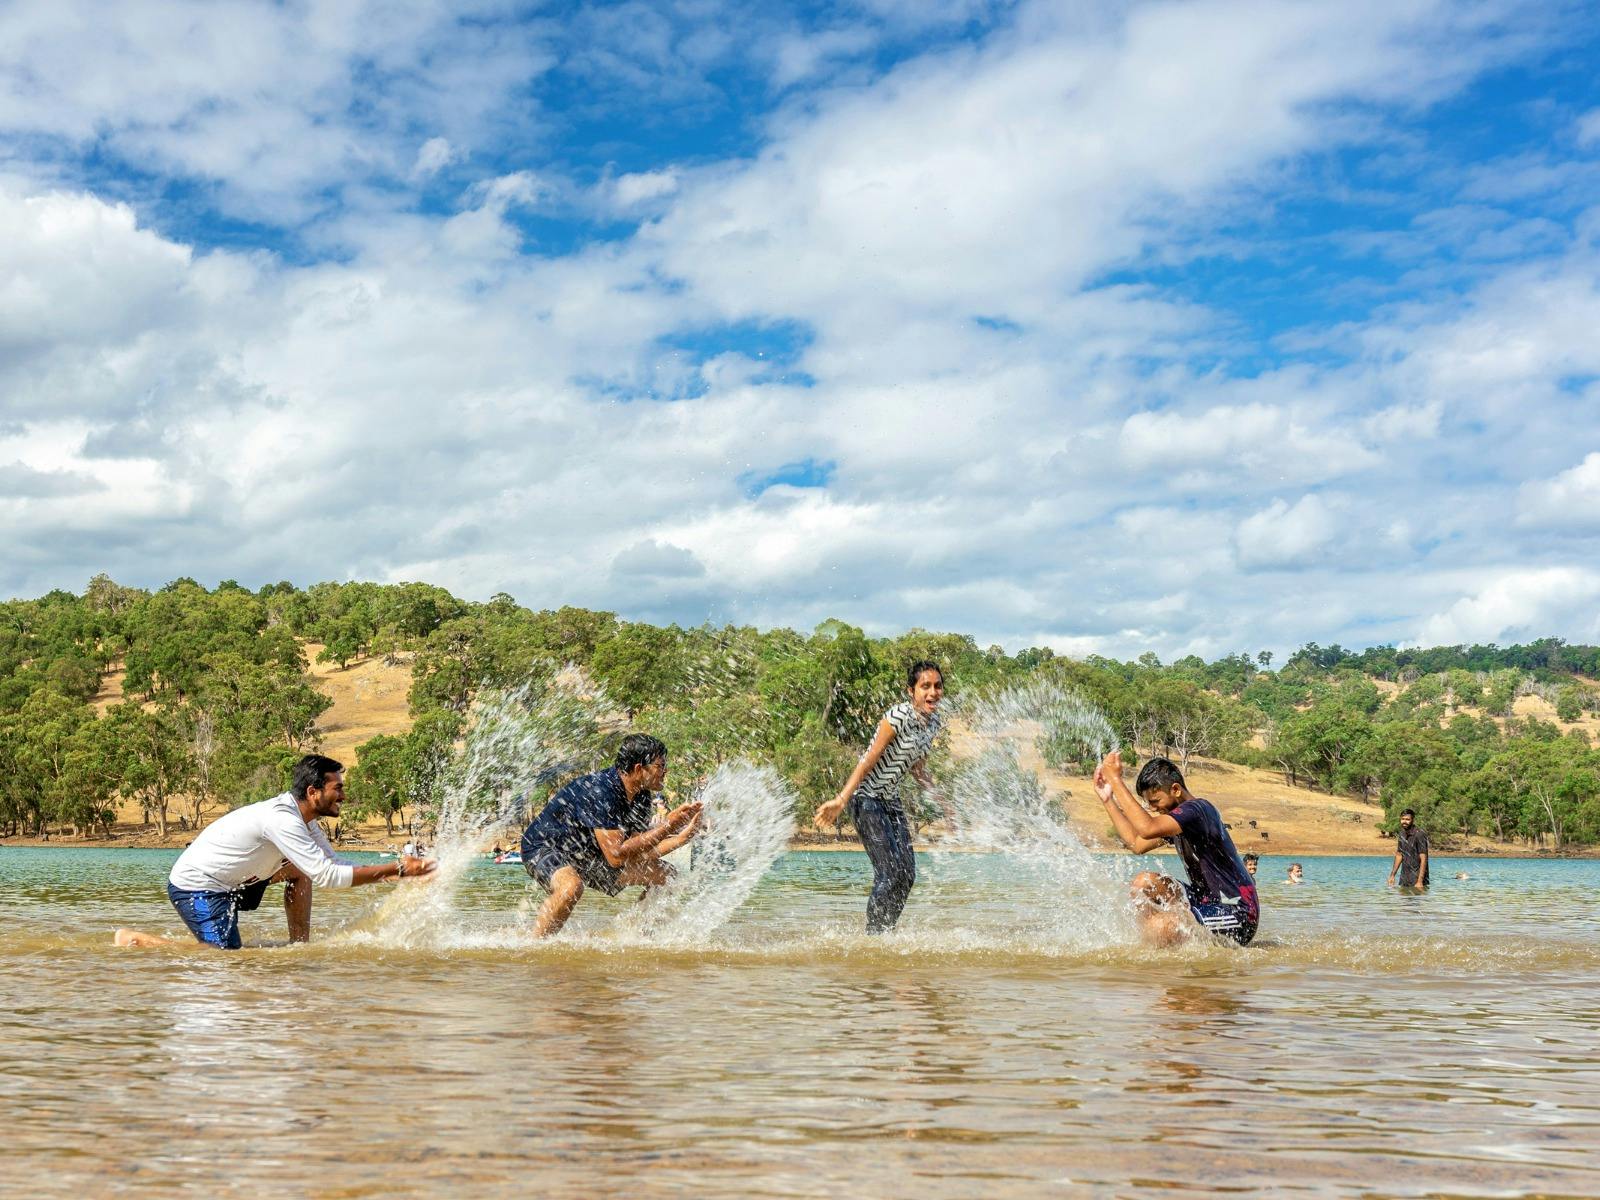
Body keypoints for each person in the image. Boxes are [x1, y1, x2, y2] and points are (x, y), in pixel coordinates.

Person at [114, 754, 435, 950]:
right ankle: (135, 941)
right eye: (338, 789)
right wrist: (399, 870)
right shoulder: (283, 820)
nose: (344, 797)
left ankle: (299, 946)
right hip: (200, 886)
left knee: (300, 869)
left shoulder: (304, 820)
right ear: (313, 792)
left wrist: (400, 874)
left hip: (239, 881)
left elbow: (331, 864)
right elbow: (329, 877)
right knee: (222, 959)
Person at [520, 734, 702, 938]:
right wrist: (668, 826)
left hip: (591, 855)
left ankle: (635, 938)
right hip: (544, 847)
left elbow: (638, 851)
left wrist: (681, 838)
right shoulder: (601, 791)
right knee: (571, 887)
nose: (665, 771)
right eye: (660, 766)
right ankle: (533, 946)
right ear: (639, 769)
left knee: (667, 876)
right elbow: (616, 856)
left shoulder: (641, 795)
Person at [813, 661, 945, 933]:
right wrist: (841, 799)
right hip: (866, 799)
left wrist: (945, 806)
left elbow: (918, 769)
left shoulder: (933, 724)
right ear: (912, 691)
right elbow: (868, 759)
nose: (933, 692)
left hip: (890, 801)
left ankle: (886, 931)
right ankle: (874, 935)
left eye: (937, 686)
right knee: (888, 874)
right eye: (925, 686)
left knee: (907, 875)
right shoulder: (897, 716)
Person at [1094, 750, 1259, 947]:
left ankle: (1163, 936)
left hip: (1238, 912)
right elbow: (1136, 843)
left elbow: (1147, 828)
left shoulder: (1199, 810)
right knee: (1144, 882)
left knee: (1164, 926)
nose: (1153, 809)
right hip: (1203, 900)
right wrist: (1107, 800)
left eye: (1155, 802)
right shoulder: (1178, 823)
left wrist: (1114, 777)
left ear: (1176, 789)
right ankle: (1163, 938)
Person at [1388, 808, 1430, 889]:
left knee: (1416, 901)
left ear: (1413, 820)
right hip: (1404, 878)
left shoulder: (1420, 834)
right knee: (1402, 901)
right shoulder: (1401, 833)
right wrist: (1392, 875)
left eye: (1407, 819)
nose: (1404, 821)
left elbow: (1424, 858)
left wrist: (1420, 881)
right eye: (1403, 819)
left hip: (1417, 879)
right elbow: (1399, 855)